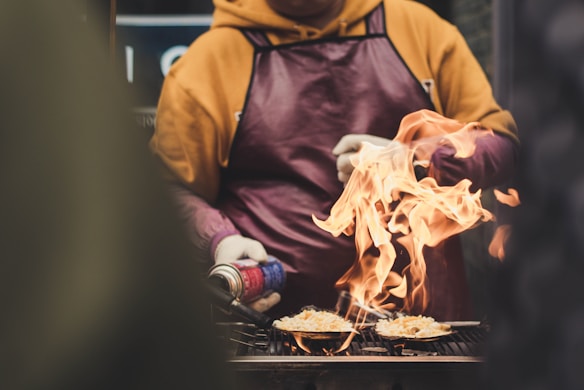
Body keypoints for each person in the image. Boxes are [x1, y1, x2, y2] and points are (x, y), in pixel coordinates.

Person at [149, 0, 520, 321]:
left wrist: (414, 159)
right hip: (274, 330)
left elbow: (500, 146)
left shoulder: (420, 29)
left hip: (426, 327)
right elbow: (166, 193)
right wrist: (220, 239)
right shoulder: (208, 63)